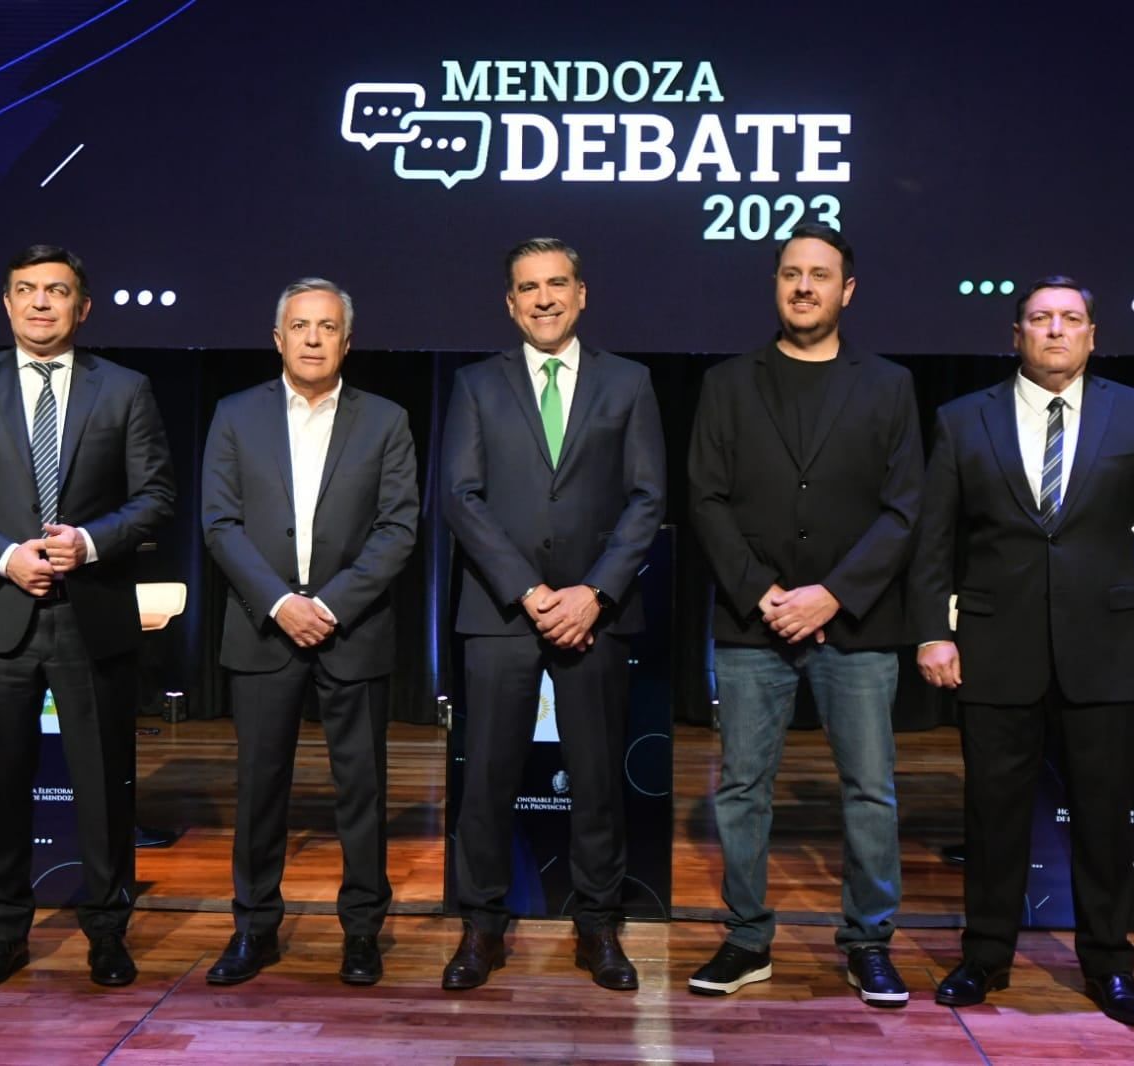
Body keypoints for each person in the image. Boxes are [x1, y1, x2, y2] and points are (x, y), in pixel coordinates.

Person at [911, 276, 1134, 1027]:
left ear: (1091, 335)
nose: (1054, 331)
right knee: (992, 817)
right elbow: (932, 541)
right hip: (992, 647)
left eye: (1069, 319)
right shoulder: (959, 419)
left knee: (1104, 821)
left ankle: (1108, 966)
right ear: (1015, 334)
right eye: (1038, 319)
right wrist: (932, 631)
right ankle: (983, 958)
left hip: (1102, 651)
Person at [0, 244, 176, 989]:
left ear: (82, 306)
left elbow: (156, 495)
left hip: (91, 614)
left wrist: (88, 543)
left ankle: (106, 929)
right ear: (5, 303)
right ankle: (3, 930)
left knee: (103, 780)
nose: (39, 304)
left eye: (55, 291)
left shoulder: (124, 388)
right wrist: (4, 556)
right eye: (25, 290)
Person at [685, 223, 921, 1005]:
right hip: (754, 621)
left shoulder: (888, 385)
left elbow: (902, 510)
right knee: (743, 788)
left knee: (868, 789)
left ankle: (866, 942)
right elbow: (706, 500)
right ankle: (747, 938)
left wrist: (831, 594)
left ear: (846, 291)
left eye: (820, 275)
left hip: (855, 623)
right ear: (775, 284)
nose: (803, 287)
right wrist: (762, 591)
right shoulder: (726, 382)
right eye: (791, 273)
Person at [438, 237, 667, 991]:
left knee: (598, 776)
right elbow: (461, 498)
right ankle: (480, 926)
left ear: (581, 294)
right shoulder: (475, 384)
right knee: (488, 779)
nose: (542, 298)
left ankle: (598, 926)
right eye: (527, 287)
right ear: (509, 302)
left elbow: (646, 499)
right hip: (503, 611)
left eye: (556, 284)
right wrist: (531, 593)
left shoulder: (628, 382)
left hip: (595, 612)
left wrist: (593, 592)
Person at [199, 278, 418, 986]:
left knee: (361, 788)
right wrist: (277, 603)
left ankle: (360, 932)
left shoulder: (385, 419)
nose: (314, 338)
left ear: (346, 340)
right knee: (260, 787)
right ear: (278, 337)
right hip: (263, 630)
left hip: (350, 629)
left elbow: (397, 529)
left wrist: (329, 604)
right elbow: (219, 524)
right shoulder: (234, 415)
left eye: (327, 327)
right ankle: (253, 928)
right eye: (300, 326)